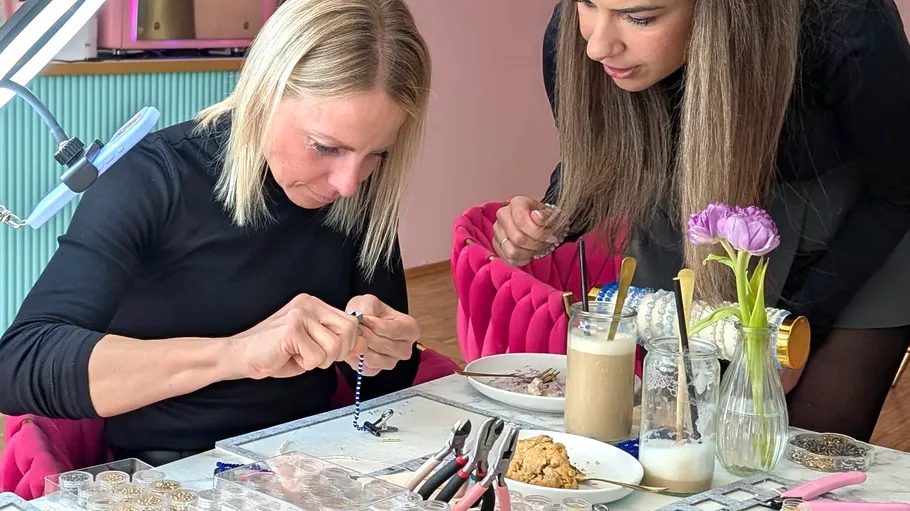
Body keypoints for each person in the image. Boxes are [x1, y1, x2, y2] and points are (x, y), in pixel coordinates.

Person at [0, 0, 431, 465]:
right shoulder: (151, 180)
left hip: (314, 457)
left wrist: (382, 347)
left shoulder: (357, 189)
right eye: (325, 147)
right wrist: (236, 354)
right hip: (170, 470)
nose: (348, 183)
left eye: (377, 155)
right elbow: (19, 364)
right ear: (263, 94)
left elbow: (389, 381)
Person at [494, 0, 910, 442]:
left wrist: (779, 334)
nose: (596, 45)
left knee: (806, 458)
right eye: (588, 4)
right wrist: (557, 213)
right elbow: (601, 152)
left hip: (857, 231)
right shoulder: (577, 36)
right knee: (680, 442)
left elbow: (900, 188)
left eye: (640, 18)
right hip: (692, 226)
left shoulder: (846, 22)